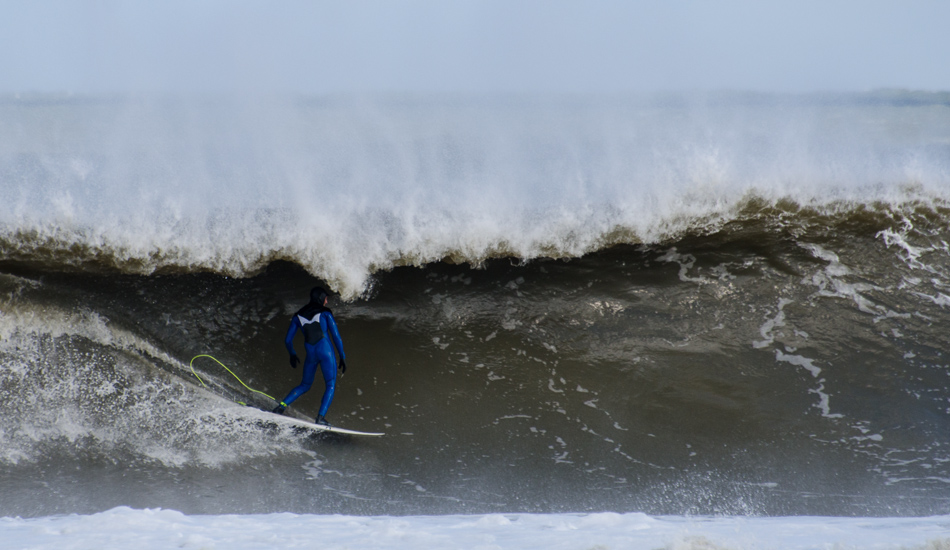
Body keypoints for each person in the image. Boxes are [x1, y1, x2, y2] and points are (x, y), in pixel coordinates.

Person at [272, 287, 347, 426]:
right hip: (326, 352)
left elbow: (288, 340)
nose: (326, 300)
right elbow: (336, 337)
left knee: (305, 385)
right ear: (321, 298)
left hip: (311, 354)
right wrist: (342, 356)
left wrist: (292, 354)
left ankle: (280, 407)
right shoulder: (325, 313)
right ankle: (320, 418)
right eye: (326, 298)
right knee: (330, 385)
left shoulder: (298, 316)